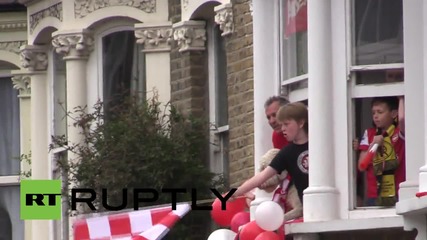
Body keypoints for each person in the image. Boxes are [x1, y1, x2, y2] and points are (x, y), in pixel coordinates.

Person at [231, 102, 309, 204]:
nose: (283, 129)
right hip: (308, 206)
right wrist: (235, 193)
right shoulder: (286, 153)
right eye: (282, 125)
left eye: (286, 124)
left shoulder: (318, 144)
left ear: (301, 123)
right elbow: (262, 176)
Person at [357, 96, 405, 206]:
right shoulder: (369, 133)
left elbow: (402, 119)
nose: (376, 116)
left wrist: (401, 98)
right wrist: (373, 145)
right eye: (373, 113)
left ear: (393, 114)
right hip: (374, 194)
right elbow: (361, 166)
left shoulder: (399, 132)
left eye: (380, 112)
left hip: (397, 192)